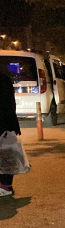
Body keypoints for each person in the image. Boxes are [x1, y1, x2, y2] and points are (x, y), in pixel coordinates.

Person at [0, 69, 20, 197]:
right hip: (7, 123)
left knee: (6, 154)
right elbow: (11, 104)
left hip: (4, 123)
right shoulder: (4, 79)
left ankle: (5, 186)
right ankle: (6, 186)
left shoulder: (3, 80)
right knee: (6, 154)